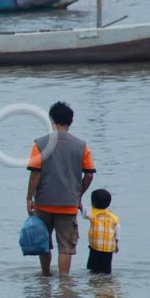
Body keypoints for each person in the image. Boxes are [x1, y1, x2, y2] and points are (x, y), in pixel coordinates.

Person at [26, 101, 96, 276]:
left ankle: (46, 275)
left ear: (51, 120)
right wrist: (78, 194)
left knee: (44, 242)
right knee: (65, 246)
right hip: (69, 204)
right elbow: (89, 175)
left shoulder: (40, 144)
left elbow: (35, 174)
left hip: (43, 203)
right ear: (71, 121)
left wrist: (29, 197)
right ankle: (64, 281)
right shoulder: (82, 145)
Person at [82, 188, 120, 275]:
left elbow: (81, 207)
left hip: (95, 247)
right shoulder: (112, 216)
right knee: (106, 271)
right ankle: (104, 283)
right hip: (108, 248)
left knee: (94, 270)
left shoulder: (91, 212)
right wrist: (116, 244)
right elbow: (118, 229)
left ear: (93, 203)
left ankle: (95, 283)